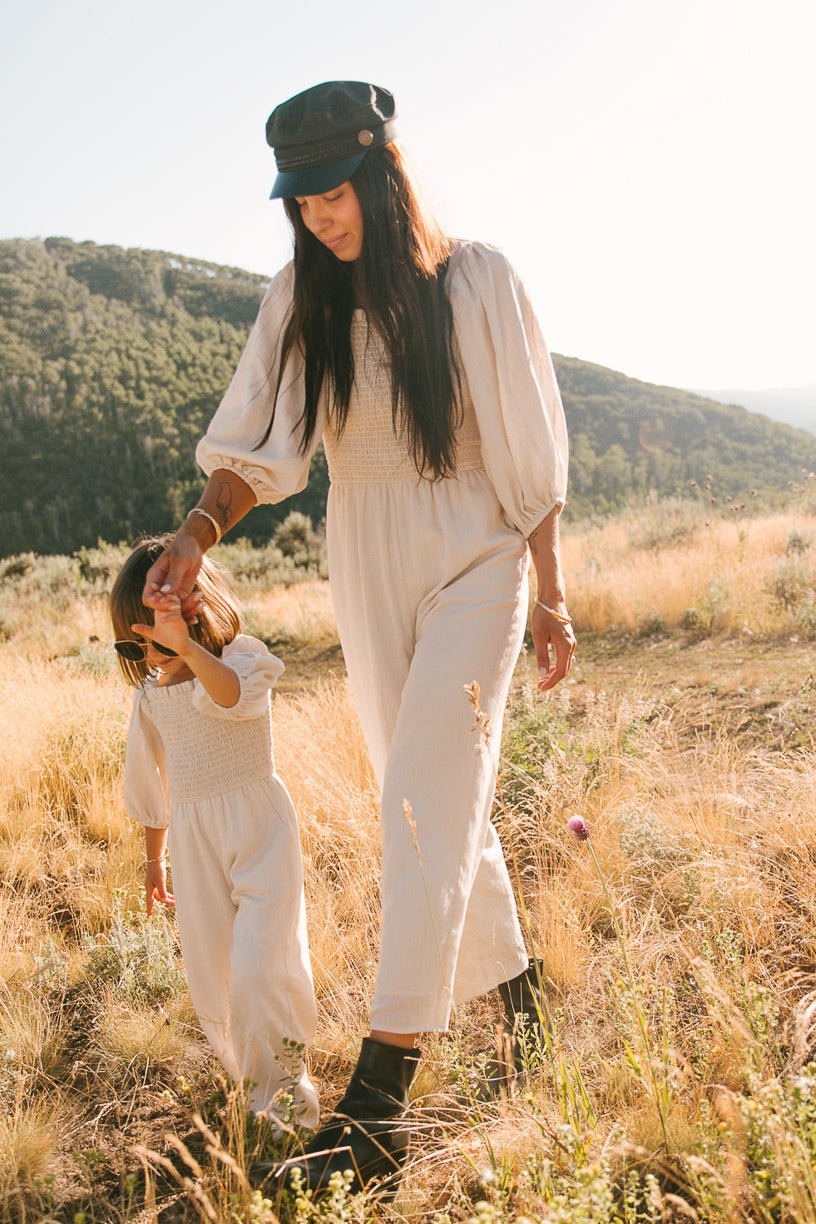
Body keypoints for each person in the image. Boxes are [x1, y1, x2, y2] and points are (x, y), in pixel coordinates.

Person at [143, 80, 575, 1193]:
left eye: (333, 192)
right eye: (300, 201)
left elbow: (530, 456)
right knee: (432, 792)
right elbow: (262, 446)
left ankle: (378, 1101)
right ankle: (527, 1016)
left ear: (382, 175)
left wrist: (553, 592)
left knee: (422, 801)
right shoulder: (302, 298)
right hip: (366, 556)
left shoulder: (476, 279)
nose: (319, 216)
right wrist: (196, 534)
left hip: (476, 554)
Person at [112, 535, 319, 1129]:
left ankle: (288, 1099)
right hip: (195, 844)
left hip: (260, 834)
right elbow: (151, 787)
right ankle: (254, 1086)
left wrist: (187, 648)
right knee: (217, 971)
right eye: (141, 641)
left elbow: (230, 699)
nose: (155, 652)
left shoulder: (241, 661)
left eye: (161, 632)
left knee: (263, 966)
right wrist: (155, 863)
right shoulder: (151, 701)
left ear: (197, 608)